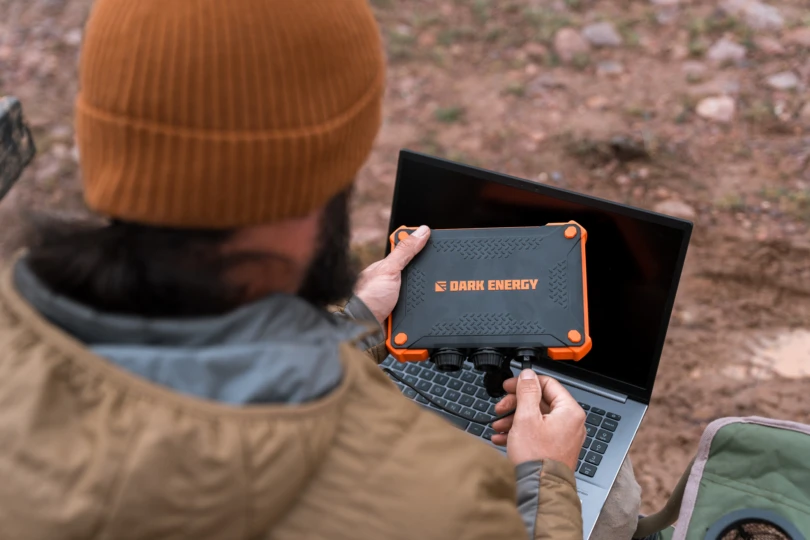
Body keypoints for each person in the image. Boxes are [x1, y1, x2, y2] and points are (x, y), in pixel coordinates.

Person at [0, 1, 641, 538]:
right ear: (331, 165)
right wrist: (545, 480)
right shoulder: (442, 503)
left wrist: (356, 322)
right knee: (615, 504)